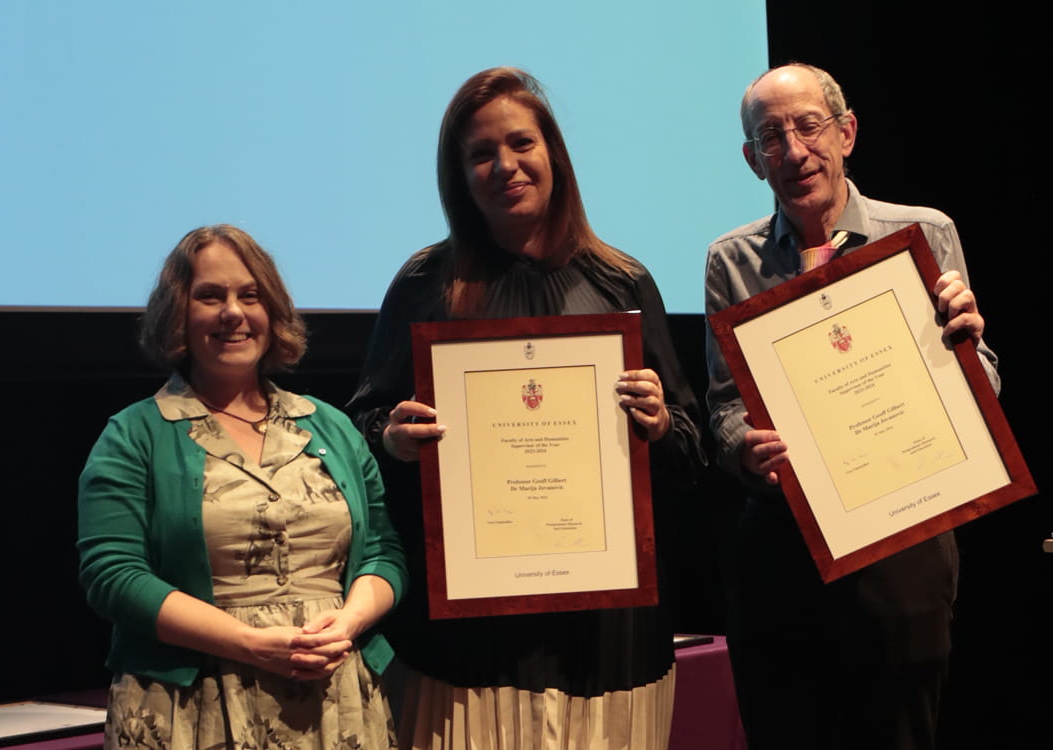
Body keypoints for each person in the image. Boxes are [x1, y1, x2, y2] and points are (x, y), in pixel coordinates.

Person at [347, 67, 704, 750]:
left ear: (554, 156)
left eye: (520, 144)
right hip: (465, 646)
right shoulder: (426, 285)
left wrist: (660, 426)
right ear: (460, 176)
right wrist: (391, 440)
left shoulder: (622, 283)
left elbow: (691, 451)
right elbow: (358, 437)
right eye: (481, 153)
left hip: (605, 641)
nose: (504, 165)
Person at [703, 63, 1001, 750]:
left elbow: (983, 376)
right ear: (752, 161)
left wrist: (969, 346)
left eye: (808, 126)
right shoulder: (731, 261)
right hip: (784, 548)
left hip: (905, 541)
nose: (795, 151)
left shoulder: (924, 234)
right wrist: (743, 447)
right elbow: (725, 408)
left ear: (847, 133)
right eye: (771, 136)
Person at [78, 224, 408, 749]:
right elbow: (112, 576)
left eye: (249, 295)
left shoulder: (330, 426)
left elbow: (385, 553)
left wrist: (348, 622)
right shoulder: (134, 434)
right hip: (193, 708)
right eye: (210, 296)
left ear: (271, 310)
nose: (233, 312)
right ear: (178, 314)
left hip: (335, 697)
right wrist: (252, 645)